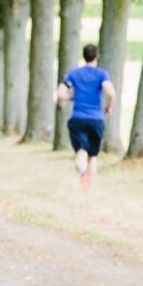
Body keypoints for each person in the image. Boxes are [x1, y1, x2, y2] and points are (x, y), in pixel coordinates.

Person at [55, 43, 115, 192]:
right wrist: (109, 107)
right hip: (96, 118)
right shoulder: (102, 74)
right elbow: (111, 92)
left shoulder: (74, 74)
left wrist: (71, 98)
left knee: (81, 152)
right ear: (97, 56)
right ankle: (88, 187)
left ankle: (83, 173)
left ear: (84, 55)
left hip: (78, 118)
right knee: (93, 156)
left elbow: (61, 93)